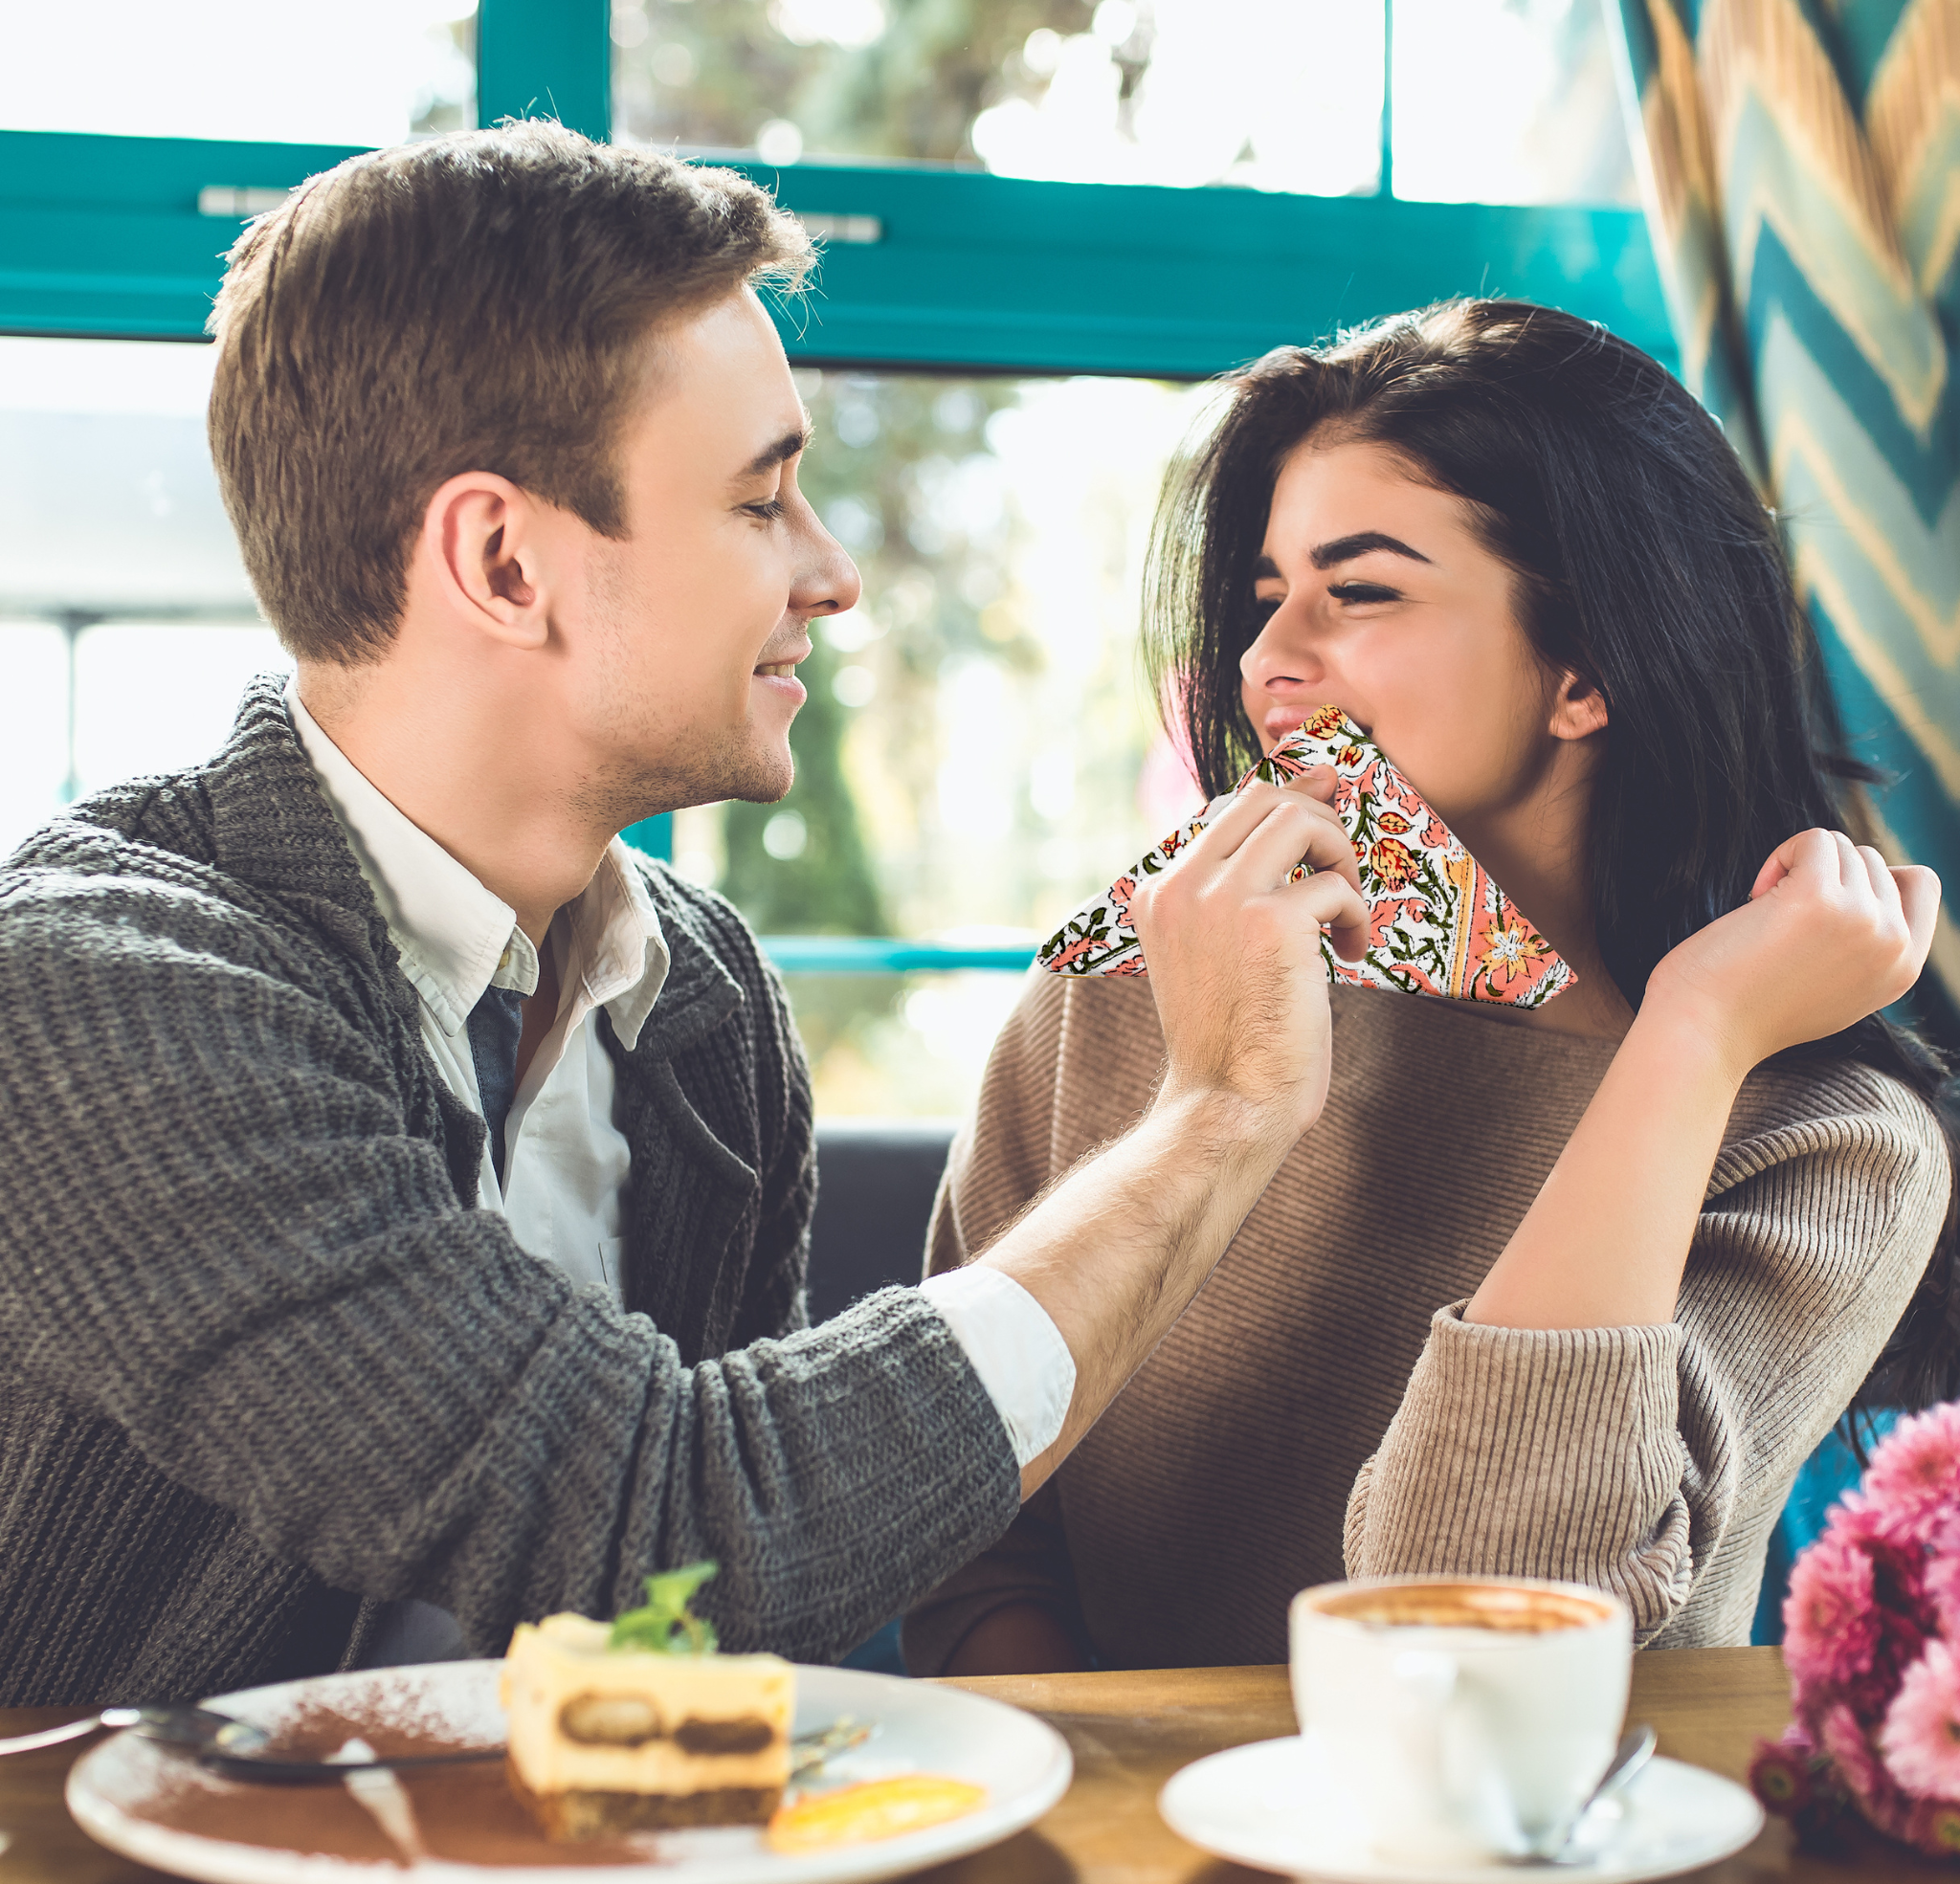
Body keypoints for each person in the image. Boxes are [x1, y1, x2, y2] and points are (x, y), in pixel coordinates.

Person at [0, 124, 1373, 1705]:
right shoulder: (94, 988)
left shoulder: (702, 995)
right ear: (506, 562)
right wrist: (1213, 1113)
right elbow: (666, 1533)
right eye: (759, 502)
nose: (833, 571)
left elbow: (721, 1643)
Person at [904, 299, 1955, 1676]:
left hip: (1542, 1878)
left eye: (1361, 589)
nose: (1268, 659)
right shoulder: (1135, 989)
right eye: (1267, 592)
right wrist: (1109, 1823)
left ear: (1586, 672)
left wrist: (1692, 1037)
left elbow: (1476, 1633)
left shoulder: (1833, 1144)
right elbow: (958, 1516)